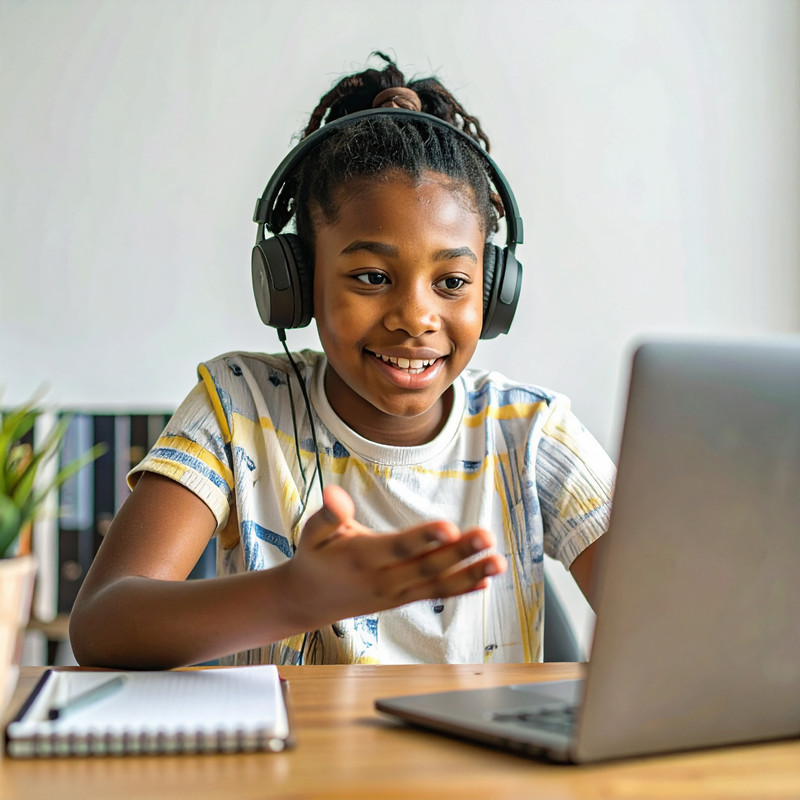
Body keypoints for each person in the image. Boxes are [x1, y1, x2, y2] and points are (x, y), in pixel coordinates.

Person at [70, 53, 615, 669]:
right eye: (373, 276)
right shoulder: (240, 404)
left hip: (478, 767)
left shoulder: (532, 431)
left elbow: (675, 616)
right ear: (297, 282)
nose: (416, 316)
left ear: (493, 292)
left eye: (453, 282)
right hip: (298, 765)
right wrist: (292, 596)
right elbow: (101, 625)